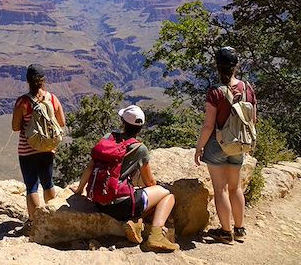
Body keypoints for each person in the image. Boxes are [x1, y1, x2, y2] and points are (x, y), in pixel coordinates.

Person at [73, 104, 180, 252]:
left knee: (142, 196)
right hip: (122, 206)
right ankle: (155, 236)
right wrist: (156, 186)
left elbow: (90, 167)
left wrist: (79, 190)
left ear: (122, 122)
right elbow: (149, 182)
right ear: (140, 128)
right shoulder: (139, 149)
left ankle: (137, 222)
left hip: (99, 201)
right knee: (168, 195)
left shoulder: (107, 139)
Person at [194, 46, 257, 244]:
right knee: (235, 187)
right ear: (236, 65)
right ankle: (240, 229)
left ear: (217, 66)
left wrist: (199, 147)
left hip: (218, 145)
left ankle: (225, 232)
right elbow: (252, 120)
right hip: (239, 144)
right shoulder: (247, 88)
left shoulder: (215, 92)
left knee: (220, 189)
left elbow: (208, 126)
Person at [11, 63, 66, 220]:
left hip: (27, 149)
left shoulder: (23, 102)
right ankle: (52, 218)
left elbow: (15, 127)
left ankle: (34, 222)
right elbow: (61, 122)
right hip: (48, 148)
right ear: (43, 80)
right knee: (48, 183)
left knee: (32, 186)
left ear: (27, 80)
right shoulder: (53, 99)